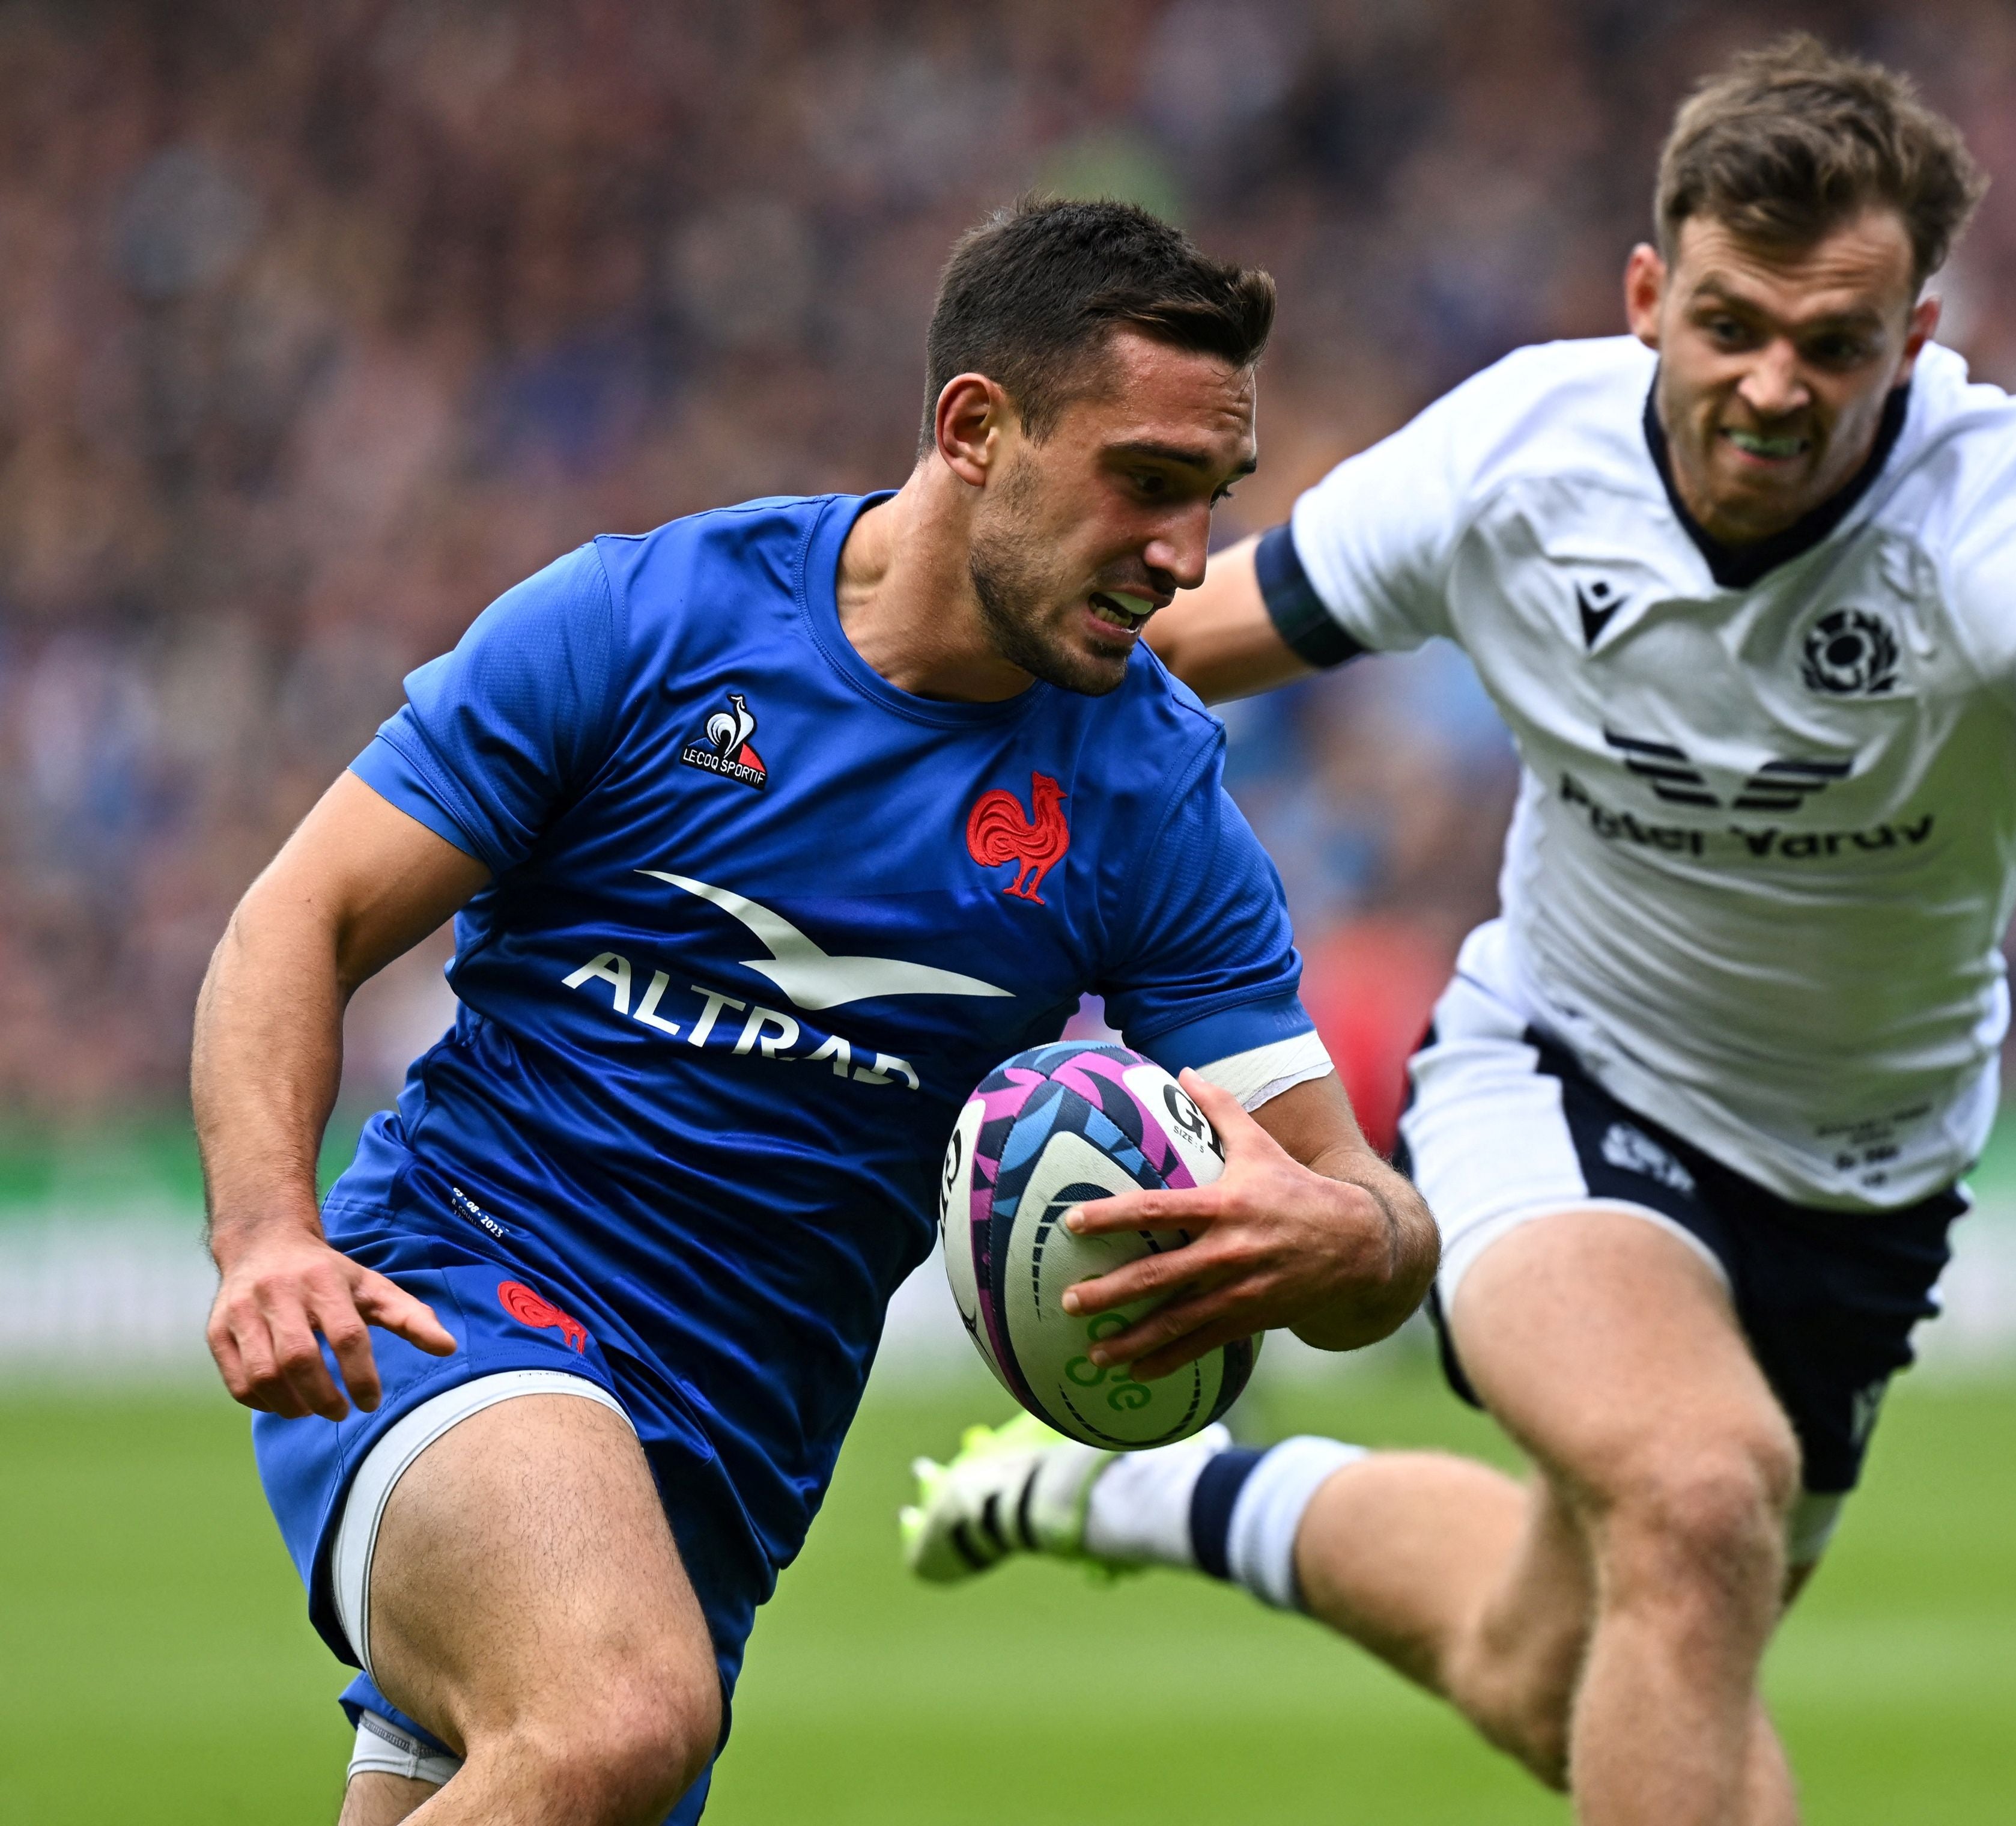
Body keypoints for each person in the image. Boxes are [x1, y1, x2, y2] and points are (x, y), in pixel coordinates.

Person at [898, 37, 2016, 1826]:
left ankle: (1154, 1497)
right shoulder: (1519, 454)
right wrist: (875, 752)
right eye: (1732, 324)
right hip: (1561, 1087)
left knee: (1554, 1662)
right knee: (1696, 1493)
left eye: (1835, 345)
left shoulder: (2001, 525)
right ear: (1649, 294)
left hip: (1864, 1191)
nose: (1773, 386)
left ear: (1912, 340)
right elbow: (1169, 637)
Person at [195, 197, 1435, 1826]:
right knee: (620, 1710)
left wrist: (1353, 1248)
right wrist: (270, 1236)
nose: (1186, 560)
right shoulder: (644, 625)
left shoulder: (1148, 798)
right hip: (461, 1296)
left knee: (572, 1743)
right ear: (975, 430)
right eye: (1144, 481)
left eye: (1212, 501)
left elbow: (1359, 1205)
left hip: (725, 1467)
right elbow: (302, 915)